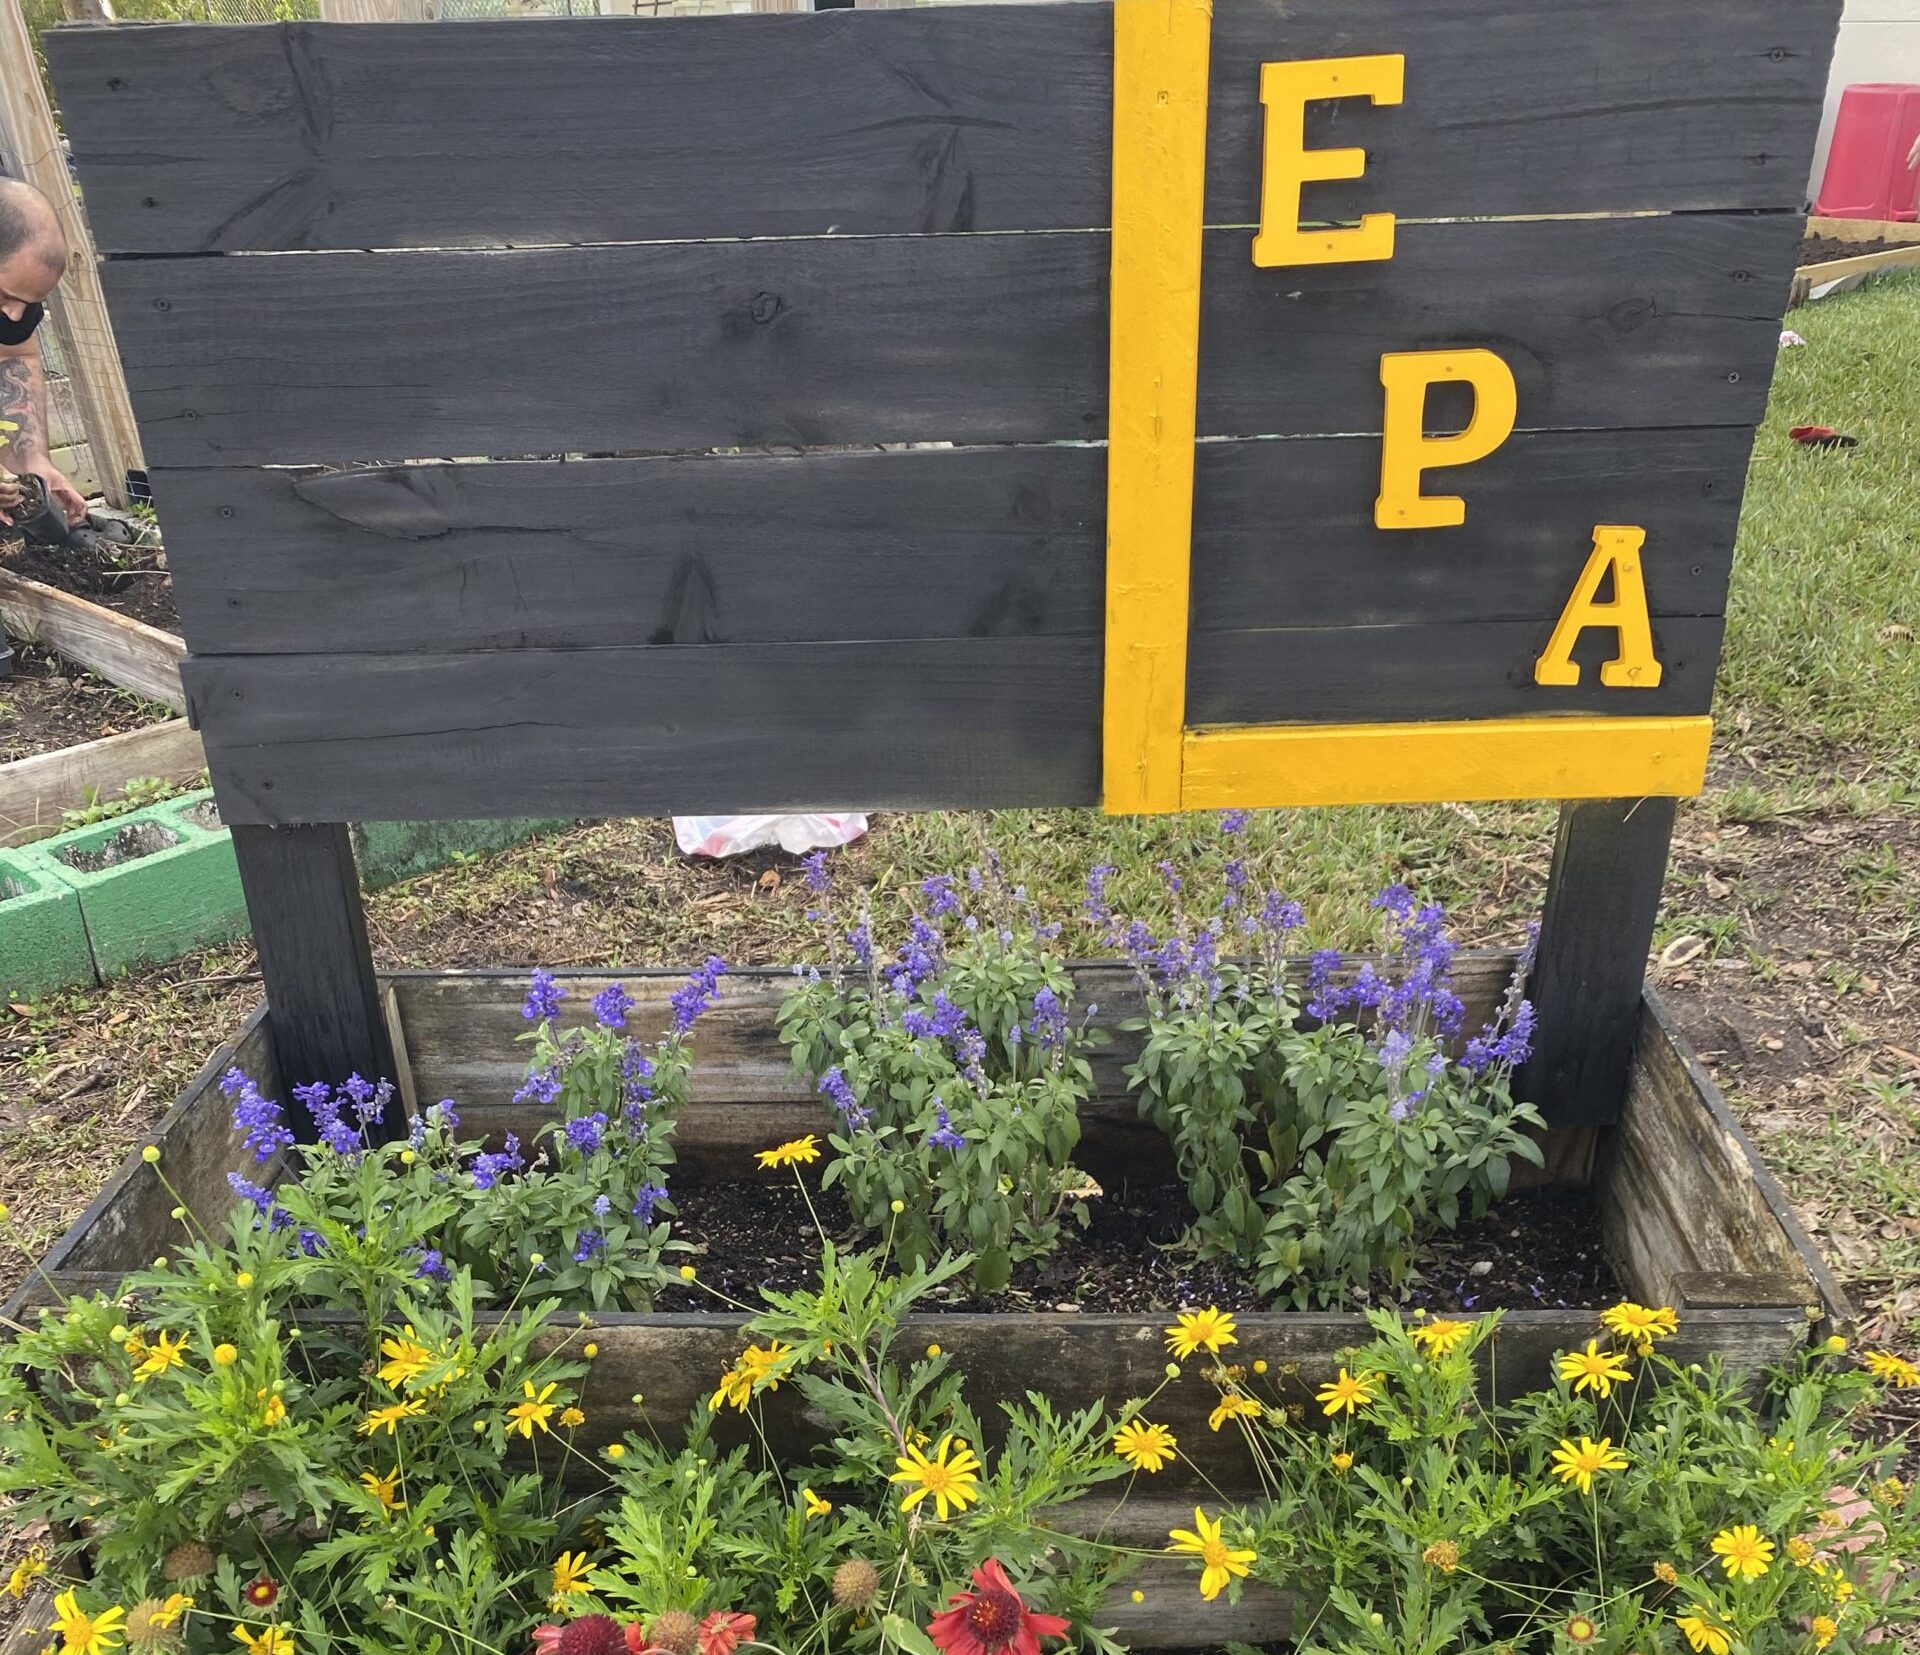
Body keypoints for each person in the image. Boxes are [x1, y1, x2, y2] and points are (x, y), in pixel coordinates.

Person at [0, 176, 88, 531]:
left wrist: (31, 458)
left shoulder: (13, 310)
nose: (14, 315)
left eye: (29, 303)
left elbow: (11, 355)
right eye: (5, 295)